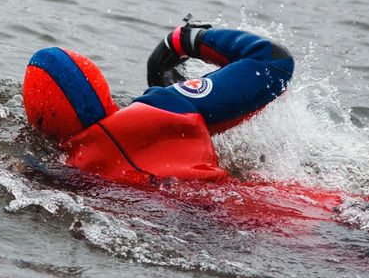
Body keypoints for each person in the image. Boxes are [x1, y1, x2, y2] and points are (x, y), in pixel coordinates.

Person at [22, 17, 294, 187]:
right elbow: (273, 62)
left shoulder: (67, 170)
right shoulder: (161, 108)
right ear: (98, 84)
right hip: (288, 218)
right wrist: (183, 40)